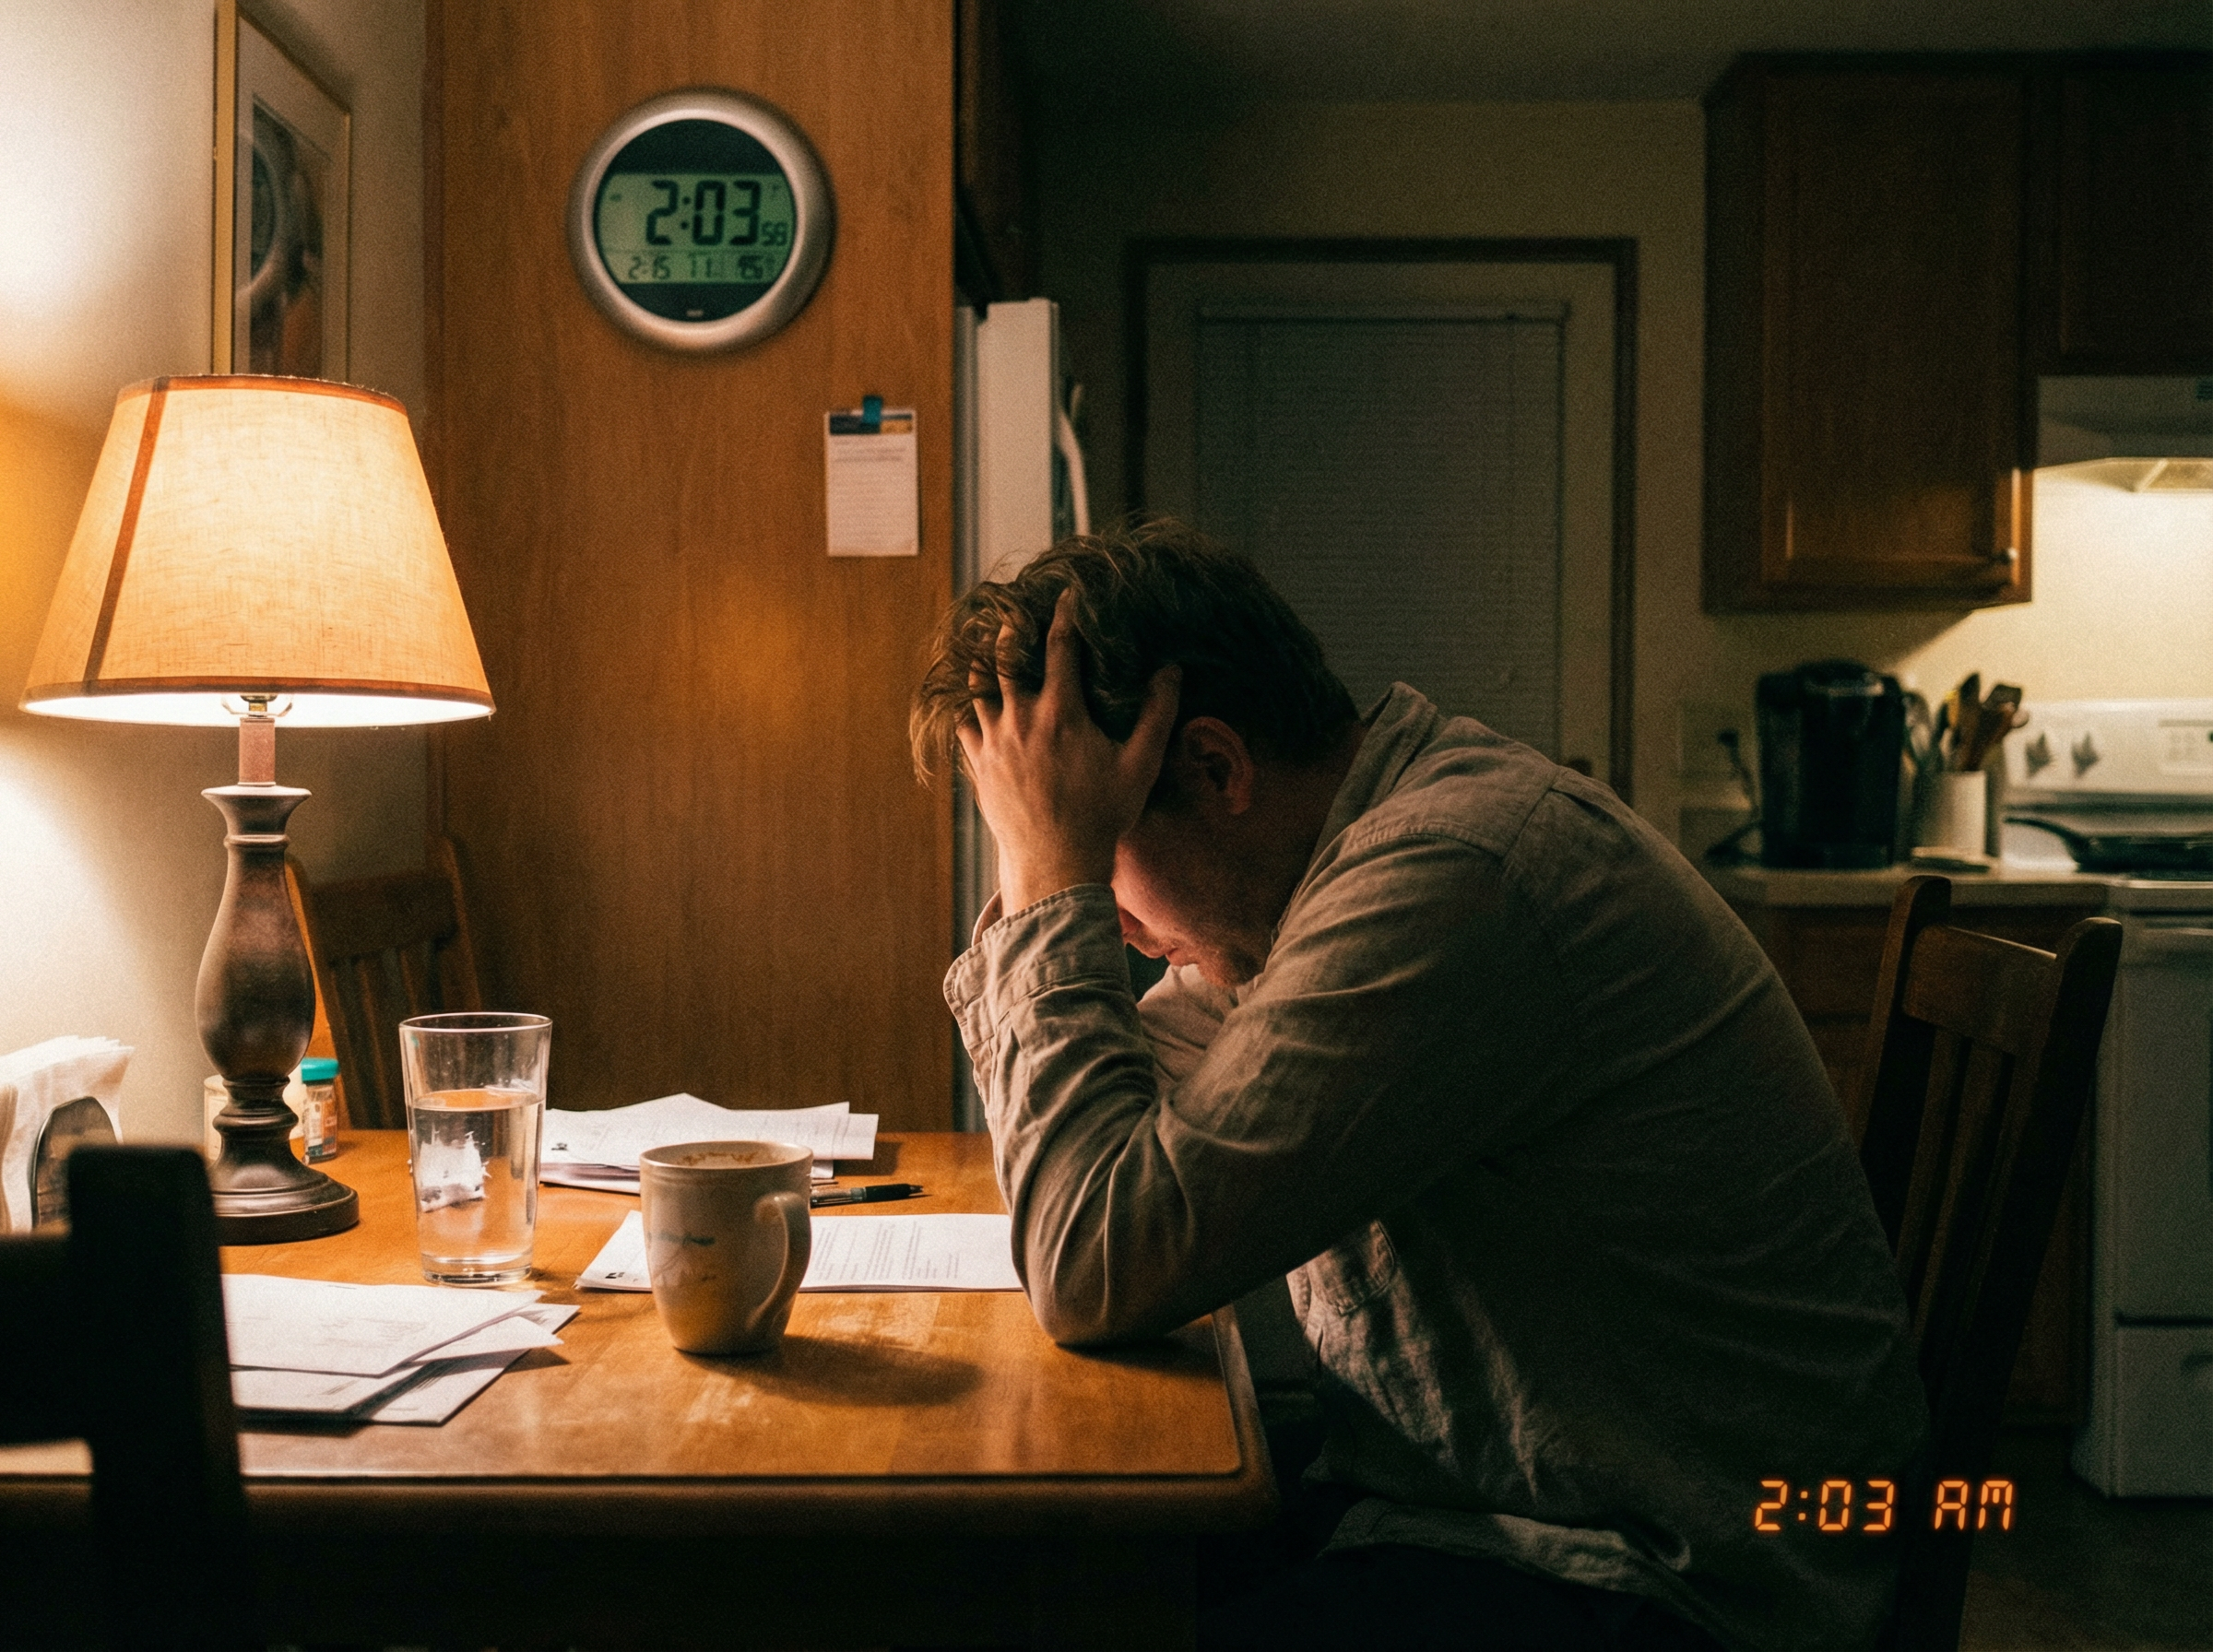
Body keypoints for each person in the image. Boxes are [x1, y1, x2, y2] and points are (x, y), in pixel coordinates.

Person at [910, 521, 1928, 1652]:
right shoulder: (1319, 894)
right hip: (1486, 1503)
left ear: (1215, 767)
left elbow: (1095, 1255)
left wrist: (1054, 883)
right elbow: (1100, 1148)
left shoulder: (1450, 879)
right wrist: (1053, 874)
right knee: (988, 1580)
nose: (1126, 930)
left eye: (1101, 849)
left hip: (1660, 1576)